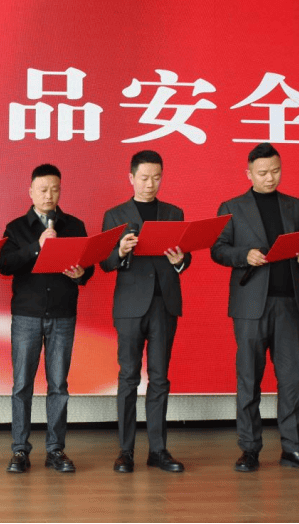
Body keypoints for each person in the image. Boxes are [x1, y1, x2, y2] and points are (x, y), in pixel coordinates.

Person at [210, 142, 299, 473]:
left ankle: (293, 448)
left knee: (292, 379)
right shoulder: (232, 207)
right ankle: (249, 449)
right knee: (249, 378)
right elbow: (217, 249)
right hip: (250, 305)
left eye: (275, 171)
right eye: (262, 172)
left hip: (289, 303)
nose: (270, 178)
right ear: (248, 173)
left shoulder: (295, 206)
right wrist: (243, 255)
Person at [0, 164, 94, 474]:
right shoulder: (16, 228)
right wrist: (36, 246)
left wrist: (80, 274)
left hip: (63, 314)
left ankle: (55, 449)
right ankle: (19, 449)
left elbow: (88, 267)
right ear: (30, 192)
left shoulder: (74, 226)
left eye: (55, 189)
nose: (49, 195)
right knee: (22, 384)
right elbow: (5, 265)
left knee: (59, 385)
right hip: (27, 315)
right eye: (43, 189)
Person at [100, 150, 191, 474]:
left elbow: (186, 257)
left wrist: (179, 260)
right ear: (131, 178)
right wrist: (120, 251)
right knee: (128, 377)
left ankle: (158, 450)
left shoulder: (174, 213)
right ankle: (125, 451)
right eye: (144, 178)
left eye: (156, 177)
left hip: (164, 304)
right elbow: (104, 262)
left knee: (160, 377)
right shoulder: (115, 215)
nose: (150, 184)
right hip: (130, 307)